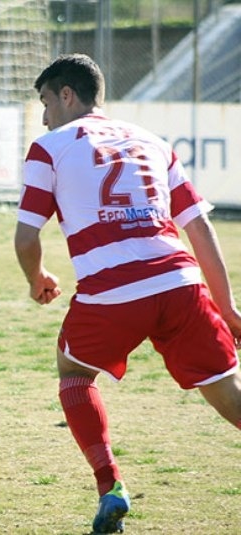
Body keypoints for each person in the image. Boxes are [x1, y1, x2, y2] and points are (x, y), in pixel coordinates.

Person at [14, 53, 241, 534]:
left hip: (112, 293)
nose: (45, 115)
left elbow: (26, 237)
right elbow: (199, 227)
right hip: (181, 284)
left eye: (46, 103)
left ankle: (110, 486)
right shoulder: (152, 141)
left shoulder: (49, 146)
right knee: (228, 394)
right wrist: (227, 307)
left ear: (67, 95)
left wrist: (37, 280)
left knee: (73, 372)